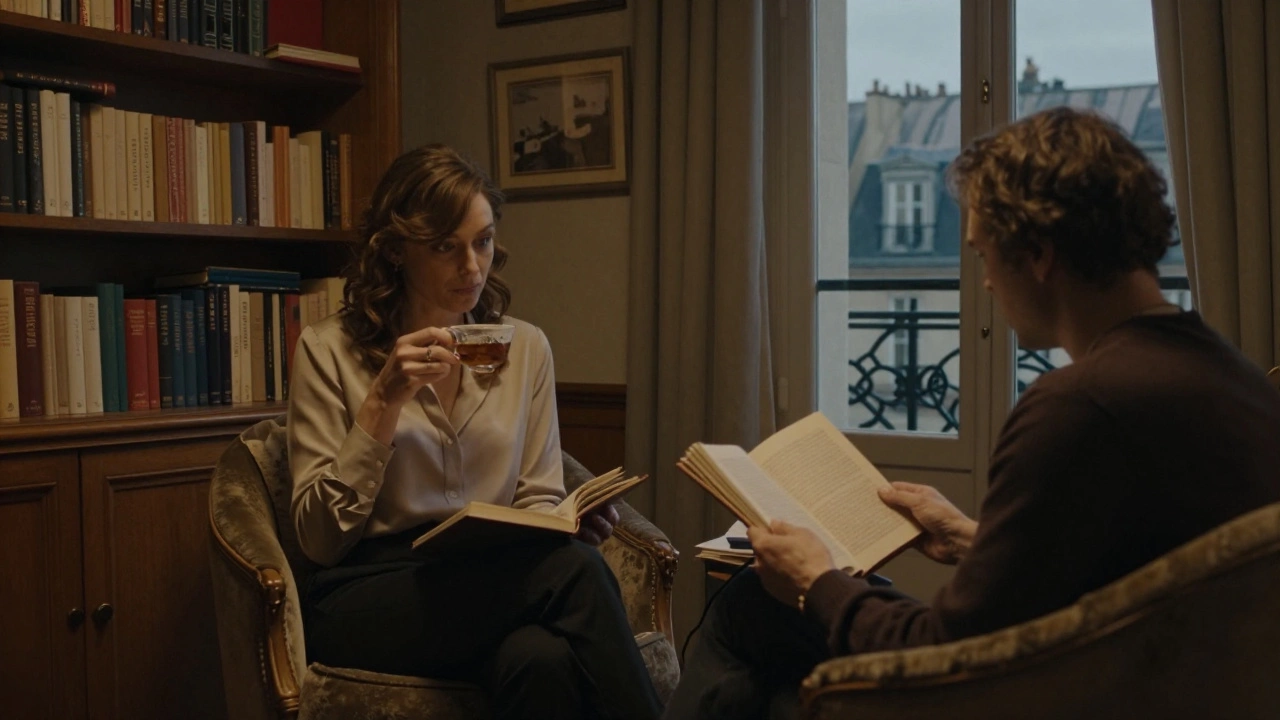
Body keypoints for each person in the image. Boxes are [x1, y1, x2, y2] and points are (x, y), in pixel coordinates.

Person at [663, 106, 1280, 720]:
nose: (983, 283)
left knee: (746, 608)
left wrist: (814, 581)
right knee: (769, 683)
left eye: (983, 254)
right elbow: (1123, 577)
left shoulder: (1080, 406)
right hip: (1130, 683)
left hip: (1023, 694)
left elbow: (949, 660)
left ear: (1037, 253)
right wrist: (970, 537)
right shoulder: (1237, 380)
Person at [288, 144, 661, 720]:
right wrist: (384, 400)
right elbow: (318, 540)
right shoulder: (328, 350)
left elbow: (537, 491)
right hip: (370, 593)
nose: (472, 267)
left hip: (494, 576)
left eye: (482, 241)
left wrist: (560, 523)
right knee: (577, 573)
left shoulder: (524, 348)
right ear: (395, 252)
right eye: (445, 247)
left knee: (540, 660)